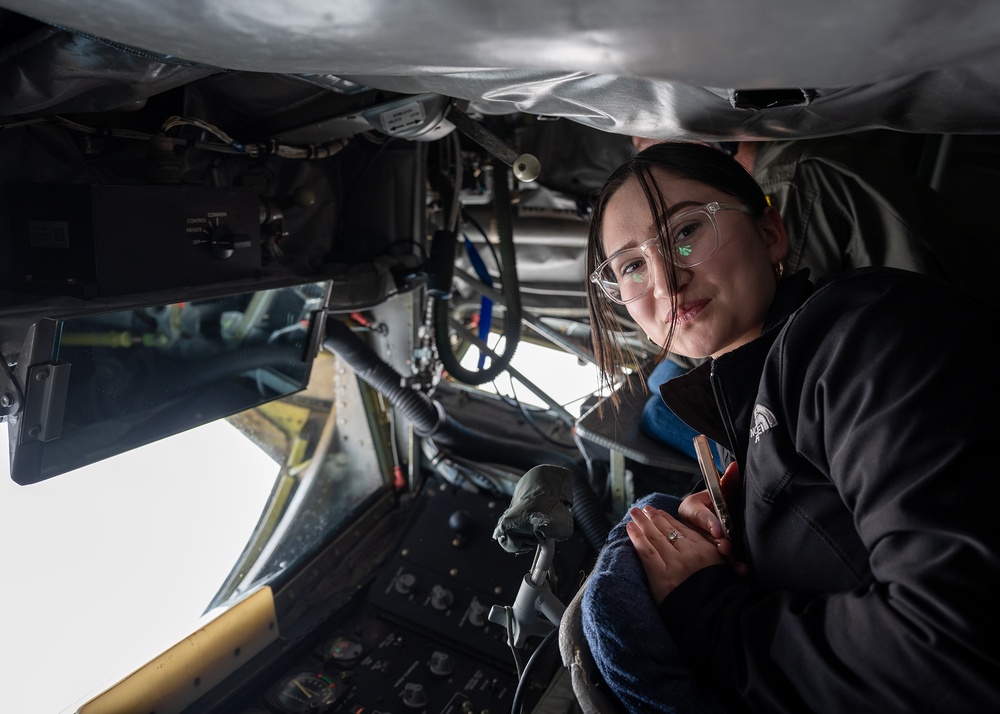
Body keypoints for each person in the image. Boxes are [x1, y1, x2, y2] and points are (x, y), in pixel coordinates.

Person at [579, 142, 1000, 713]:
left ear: (771, 232)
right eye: (631, 266)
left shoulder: (866, 335)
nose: (665, 281)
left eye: (686, 232)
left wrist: (709, 612)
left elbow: (952, 644)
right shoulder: (757, 414)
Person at [631, 135, 997, 469]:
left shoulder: (789, 184)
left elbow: (768, 324)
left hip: (918, 367)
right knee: (662, 382)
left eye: (686, 230)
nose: (642, 157)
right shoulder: (791, 161)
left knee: (657, 410)